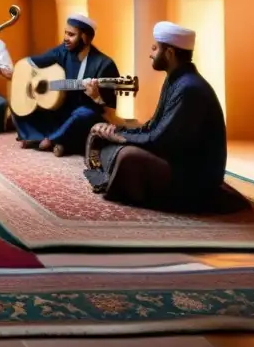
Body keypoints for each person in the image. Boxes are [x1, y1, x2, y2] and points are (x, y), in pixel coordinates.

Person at [84, 22, 235, 213]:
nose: (151, 53)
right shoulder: (175, 79)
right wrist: (117, 131)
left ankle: (127, 183)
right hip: (175, 157)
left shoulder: (189, 88)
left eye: (155, 48)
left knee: (128, 156)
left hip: (194, 176)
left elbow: (160, 139)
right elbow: (152, 127)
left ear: (170, 53)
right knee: (108, 140)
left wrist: (120, 138)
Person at [12, 13, 119, 157]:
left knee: (83, 114)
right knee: (20, 102)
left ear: (85, 38)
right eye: (65, 33)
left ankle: (51, 139)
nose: (65, 38)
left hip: (82, 118)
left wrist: (96, 96)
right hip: (60, 112)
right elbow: (33, 62)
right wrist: (29, 80)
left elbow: (111, 107)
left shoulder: (104, 64)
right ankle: (60, 141)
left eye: (71, 35)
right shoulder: (62, 51)